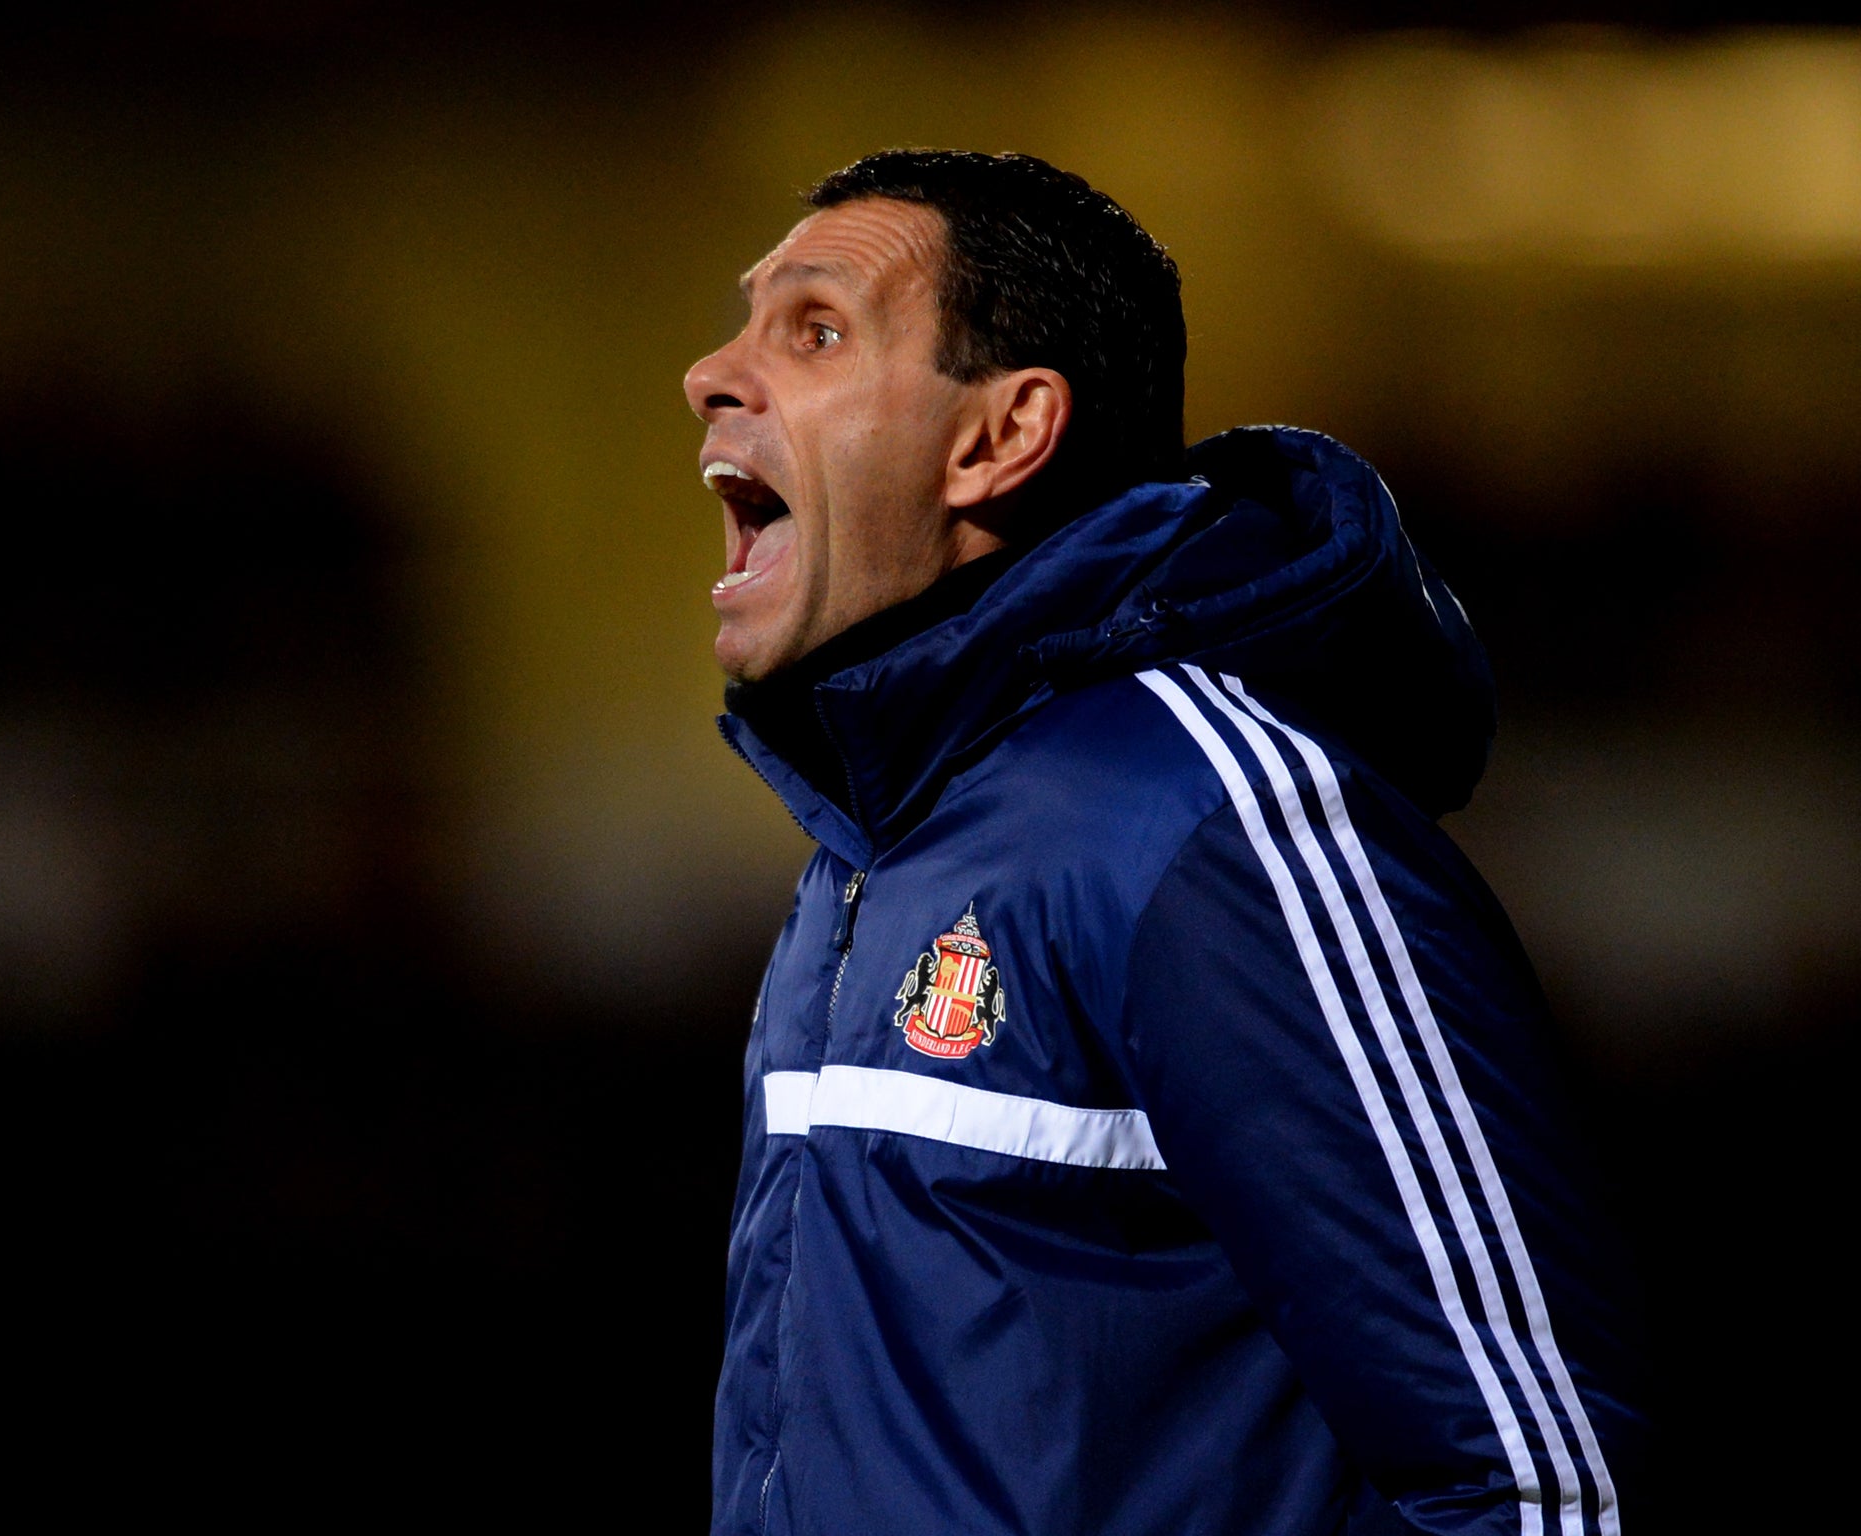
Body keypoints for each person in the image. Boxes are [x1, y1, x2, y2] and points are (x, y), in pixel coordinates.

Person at [684, 149, 1640, 1536]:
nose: (712, 372)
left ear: (1000, 437)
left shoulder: (1204, 825)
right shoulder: (871, 846)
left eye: (814, 328)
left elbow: (1548, 1487)